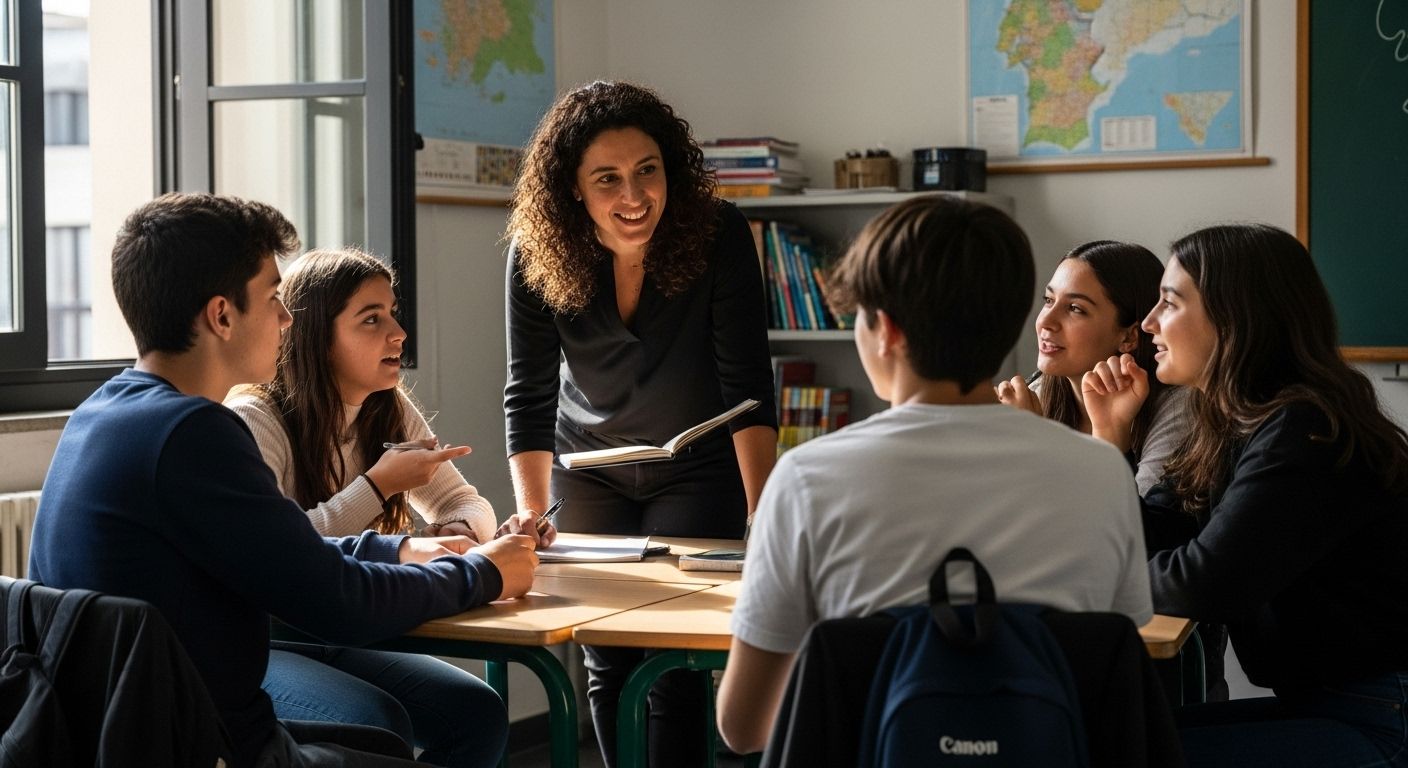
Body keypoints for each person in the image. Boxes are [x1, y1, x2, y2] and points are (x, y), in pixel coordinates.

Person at [28, 192, 539, 768]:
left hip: (127, 728)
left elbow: (276, 547)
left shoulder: (106, 410)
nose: (287, 317)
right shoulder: (196, 433)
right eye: (273, 298)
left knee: (441, 724)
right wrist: (482, 572)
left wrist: (394, 547)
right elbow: (337, 602)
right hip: (200, 740)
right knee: (385, 733)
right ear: (222, 315)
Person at [716, 195, 1153, 755]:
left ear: (887, 331)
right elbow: (1112, 681)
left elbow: (743, 728)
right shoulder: (1102, 471)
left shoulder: (806, 478)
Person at [503, 80, 778, 767]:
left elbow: (748, 388)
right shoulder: (535, 254)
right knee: (608, 662)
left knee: (674, 667)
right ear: (572, 188)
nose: (634, 196)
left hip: (696, 467)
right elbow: (528, 396)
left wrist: (767, 517)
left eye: (647, 171)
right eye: (608, 179)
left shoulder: (718, 235)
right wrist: (533, 516)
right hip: (586, 469)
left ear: (670, 171)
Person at [1083, 223, 1408, 766]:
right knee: (1106, 739)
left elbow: (1207, 583)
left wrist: (1090, 578)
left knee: (1116, 752)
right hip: (1335, 706)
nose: (1148, 324)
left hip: (1380, 717)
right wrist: (1112, 440)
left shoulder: (1304, 430)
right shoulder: (1238, 423)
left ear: (1233, 318)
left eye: (1169, 303)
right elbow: (1160, 528)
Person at [227, 247, 553, 768]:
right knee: (380, 722)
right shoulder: (255, 418)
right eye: (371, 319)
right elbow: (284, 550)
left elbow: (466, 501)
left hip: (345, 625)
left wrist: (457, 535)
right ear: (316, 336)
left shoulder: (390, 408)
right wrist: (377, 487)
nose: (398, 332)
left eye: (393, 312)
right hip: (270, 640)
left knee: (478, 712)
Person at [997, 240, 1189, 495]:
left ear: (1129, 337)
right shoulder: (1037, 394)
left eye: (1075, 308)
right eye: (1048, 300)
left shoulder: (1177, 409)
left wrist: (1033, 447)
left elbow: (1124, 522)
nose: (1046, 322)